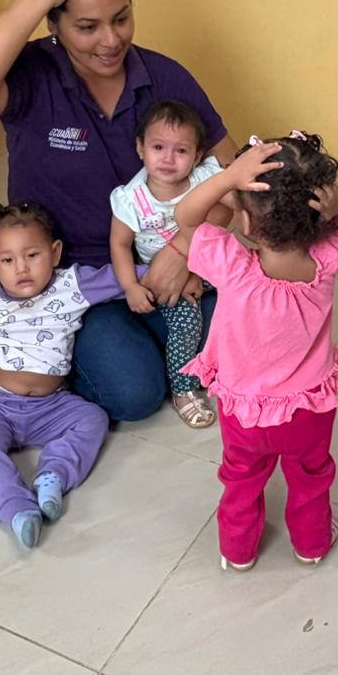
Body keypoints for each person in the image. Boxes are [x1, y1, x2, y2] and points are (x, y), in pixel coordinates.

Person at [0, 0, 239, 422]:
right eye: (86, 27)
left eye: (121, 18)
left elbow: (232, 178)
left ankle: (153, 340)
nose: (110, 40)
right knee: (134, 395)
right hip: (76, 279)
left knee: (254, 326)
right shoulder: (30, 74)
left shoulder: (164, 77)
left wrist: (184, 248)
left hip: (161, 258)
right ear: (53, 25)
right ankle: (93, 345)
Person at [174, 133, 338, 571]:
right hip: (309, 410)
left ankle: (238, 552)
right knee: (311, 477)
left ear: (244, 221)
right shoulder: (328, 257)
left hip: (244, 413)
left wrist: (227, 179)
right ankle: (311, 545)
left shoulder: (230, 265)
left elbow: (186, 217)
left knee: (241, 479)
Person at [0, 202, 126, 549]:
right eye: (7, 260)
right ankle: (16, 510)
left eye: (32, 255)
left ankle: (54, 475)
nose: (21, 268)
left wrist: (173, 268)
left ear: (55, 253)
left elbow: (123, 277)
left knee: (93, 419)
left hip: (51, 406)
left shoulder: (72, 285)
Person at [110, 100, 230, 429]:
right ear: (140, 148)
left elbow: (232, 205)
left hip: (207, 262)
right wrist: (130, 286)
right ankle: (184, 389)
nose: (167, 158)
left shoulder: (204, 178)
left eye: (181, 150)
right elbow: (119, 245)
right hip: (163, 279)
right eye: (158, 147)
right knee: (187, 323)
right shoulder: (131, 198)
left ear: (197, 155)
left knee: (252, 290)